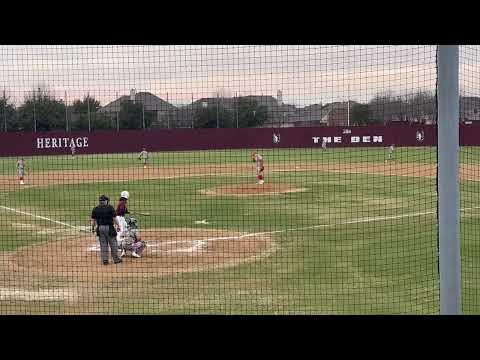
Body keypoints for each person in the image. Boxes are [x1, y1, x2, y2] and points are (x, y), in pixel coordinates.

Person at [91, 195, 122, 265]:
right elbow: (114, 218)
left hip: (100, 228)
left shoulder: (96, 209)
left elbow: (93, 220)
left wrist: (92, 228)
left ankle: (105, 260)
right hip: (109, 228)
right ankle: (116, 259)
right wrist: (118, 225)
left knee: (103, 244)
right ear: (106, 201)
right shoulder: (110, 208)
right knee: (113, 243)